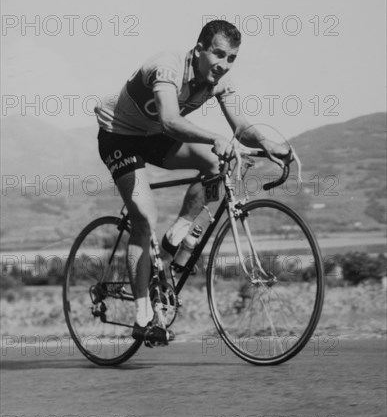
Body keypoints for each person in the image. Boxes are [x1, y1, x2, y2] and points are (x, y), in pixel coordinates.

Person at [95, 19, 289, 346]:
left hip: (155, 136)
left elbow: (240, 126)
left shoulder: (218, 82)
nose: (223, 65)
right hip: (120, 135)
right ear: (199, 50)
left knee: (220, 163)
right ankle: (143, 317)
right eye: (218, 54)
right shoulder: (167, 67)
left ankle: (180, 232)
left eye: (231, 59)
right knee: (144, 217)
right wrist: (216, 137)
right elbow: (171, 121)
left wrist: (268, 143)